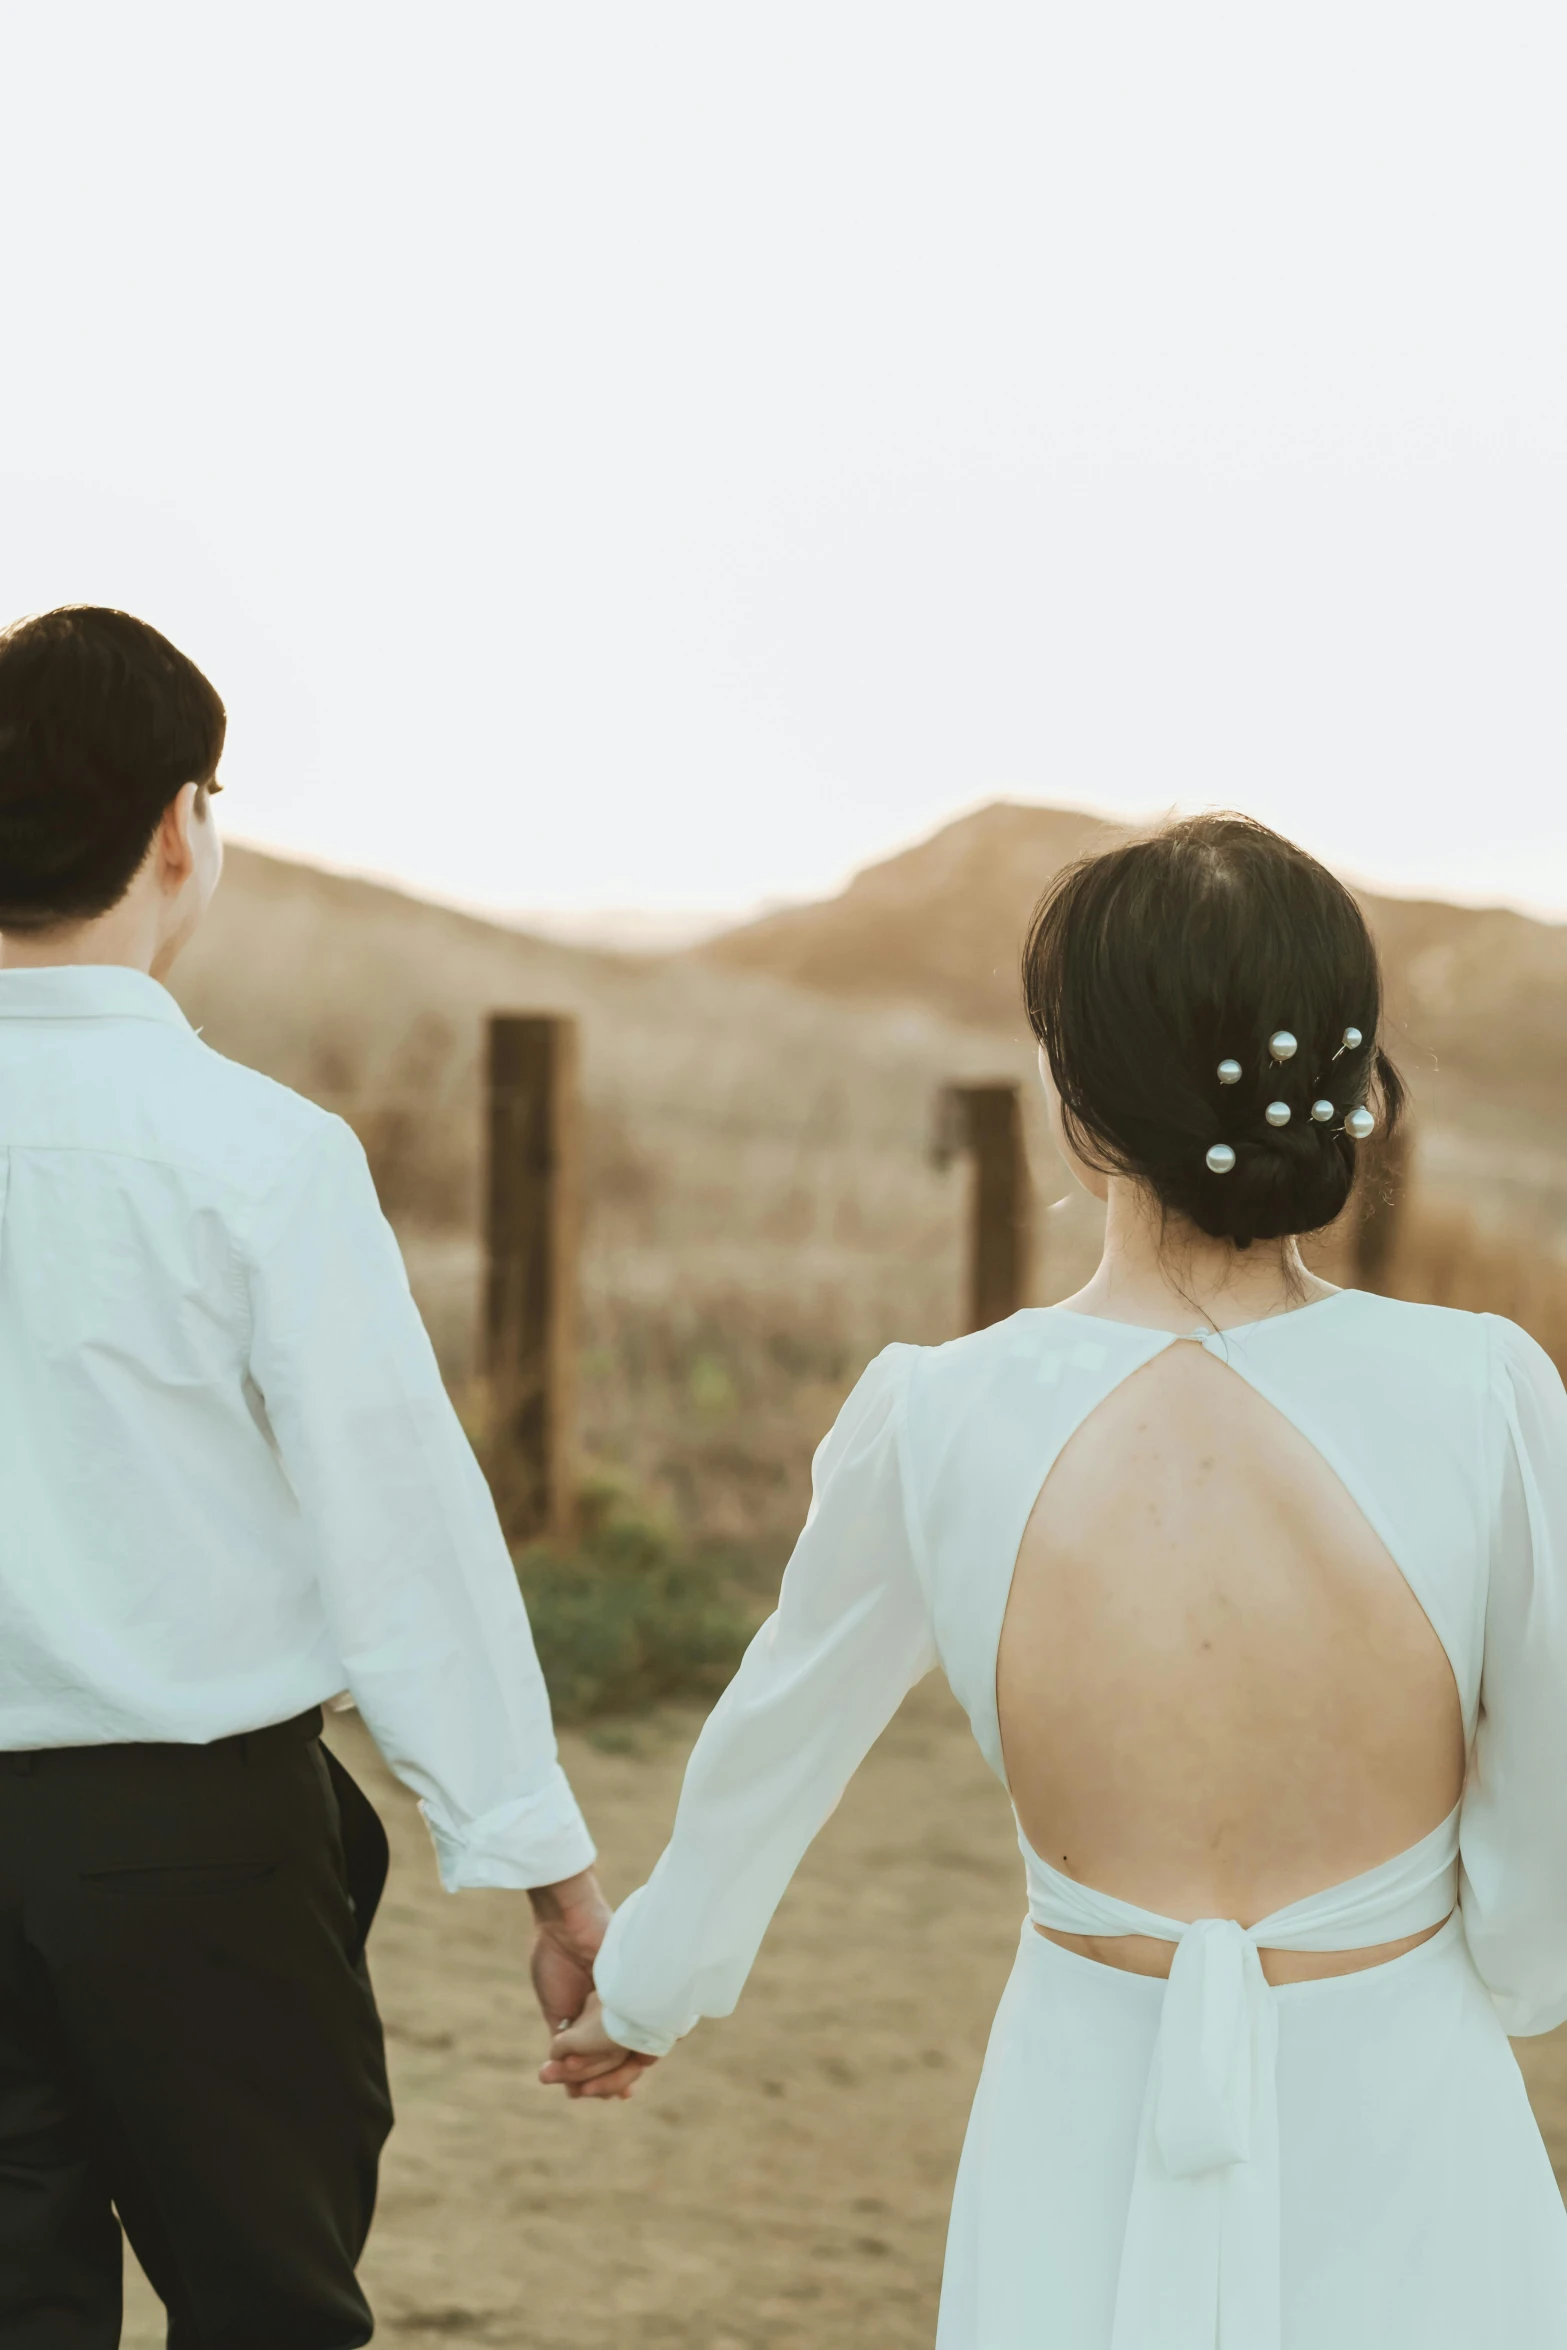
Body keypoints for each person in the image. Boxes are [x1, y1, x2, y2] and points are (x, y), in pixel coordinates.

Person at [546, 813, 1567, 2346]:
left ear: (1074, 1097)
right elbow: (1551, 1791)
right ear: (1351, 1085)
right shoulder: (1484, 1389)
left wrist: (643, 1987)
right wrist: (1501, 1967)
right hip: (1405, 2097)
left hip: (1082, 2102)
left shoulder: (938, 1411)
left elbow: (776, 1741)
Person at [0, 605, 609, 2348]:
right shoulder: (259, 1155)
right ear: (180, 829)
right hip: (197, 1847)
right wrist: (543, 1867)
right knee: (271, 2310)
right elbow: (397, 1531)